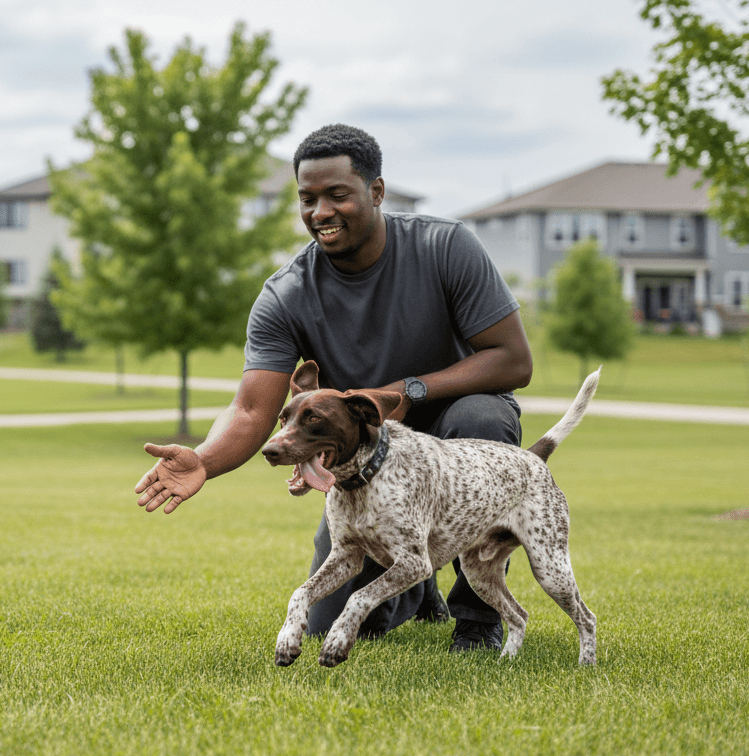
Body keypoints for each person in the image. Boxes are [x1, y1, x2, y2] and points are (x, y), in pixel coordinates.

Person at [134, 123, 533, 651]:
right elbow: (253, 409)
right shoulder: (285, 295)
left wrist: (405, 392)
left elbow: (512, 360)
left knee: (483, 419)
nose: (320, 212)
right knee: (329, 623)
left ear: (376, 192)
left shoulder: (446, 246)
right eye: (307, 199)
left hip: (452, 427)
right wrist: (205, 460)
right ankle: (422, 585)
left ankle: (478, 618)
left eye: (337, 195)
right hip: (371, 455)